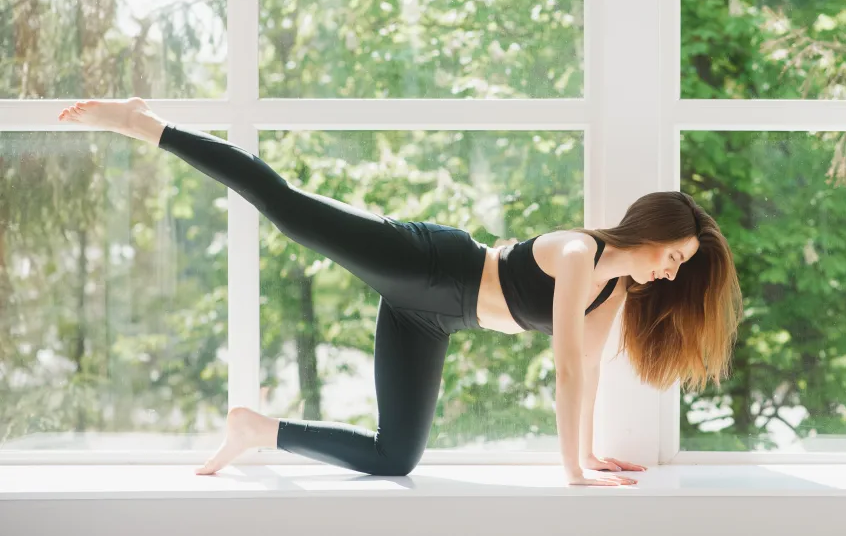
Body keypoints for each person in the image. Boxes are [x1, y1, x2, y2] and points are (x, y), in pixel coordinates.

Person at [57, 97, 744, 487]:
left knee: (396, 458)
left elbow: (590, 371)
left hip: (434, 320)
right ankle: (146, 124)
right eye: (673, 255)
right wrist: (573, 473)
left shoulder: (614, 291)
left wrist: (591, 453)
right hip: (430, 266)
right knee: (287, 206)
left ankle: (255, 429)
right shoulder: (579, 254)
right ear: (651, 230)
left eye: (681, 268)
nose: (670, 271)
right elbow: (564, 365)